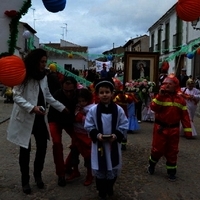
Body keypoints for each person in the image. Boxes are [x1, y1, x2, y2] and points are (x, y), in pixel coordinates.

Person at [7, 48, 68, 194]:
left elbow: (48, 96)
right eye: (42, 61)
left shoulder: (43, 77)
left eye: (45, 62)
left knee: (42, 147)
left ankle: (37, 175)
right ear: (35, 61)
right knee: (25, 150)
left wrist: (62, 108)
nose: (44, 64)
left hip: (39, 118)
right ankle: (25, 181)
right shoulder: (24, 75)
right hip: (25, 118)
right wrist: (31, 108)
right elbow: (16, 96)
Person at [84, 78, 128, 199]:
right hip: (99, 144)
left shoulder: (118, 110)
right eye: (101, 92)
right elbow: (88, 125)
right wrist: (97, 135)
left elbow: (124, 124)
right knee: (100, 168)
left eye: (107, 92)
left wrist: (116, 135)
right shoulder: (93, 110)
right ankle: (101, 190)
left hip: (113, 144)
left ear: (112, 93)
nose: (104, 95)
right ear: (97, 94)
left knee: (112, 168)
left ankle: (110, 187)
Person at [147, 74, 192, 181]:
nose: (166, 86)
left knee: (173, 151)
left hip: (174, 130)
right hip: (160, 129)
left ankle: (171, 172)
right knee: (157, 150)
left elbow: (185, 115)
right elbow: (154, 108)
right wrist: (160, 96)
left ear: (175, 86)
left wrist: (188, 131)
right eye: (165, 84)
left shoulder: (180, 99)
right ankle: (151, 165)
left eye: (169, 84)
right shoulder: (160, 97)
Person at [48, 76, 80, 187]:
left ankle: (67, 165)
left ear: (75, 88)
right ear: (62, 87)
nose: (68, 94)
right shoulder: (56, 95)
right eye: (66, 91)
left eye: (71, 91)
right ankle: (61, 174)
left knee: (78, 141)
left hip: (69, 122)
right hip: (55, 120)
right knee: (57, 144)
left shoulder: (78, 95)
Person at [73, 88, 95, 186]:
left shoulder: (92, 108)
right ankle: (75, 170)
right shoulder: (77, 106)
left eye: (84, 101)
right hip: (76, 133)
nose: (81, 103)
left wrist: (81, 117)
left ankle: (89, 175)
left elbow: (92, 121)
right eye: (80, 101)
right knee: (74, 153)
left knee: (88, 156)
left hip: (86, 135)